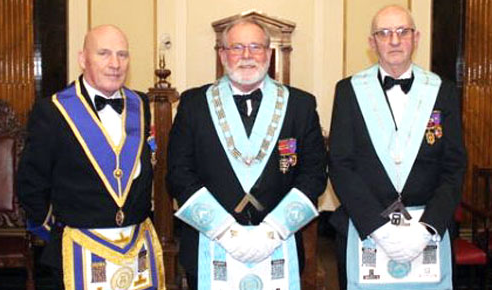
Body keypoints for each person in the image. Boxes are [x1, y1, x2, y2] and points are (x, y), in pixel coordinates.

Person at [166, 19, 327, 290]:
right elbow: (179, 174)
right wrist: (225, 231)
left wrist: (272, 231)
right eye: (237, 47)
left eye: (255, 47)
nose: (247, 55)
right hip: (211, 243)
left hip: (279, 243)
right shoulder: (193, 104)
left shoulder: (300, 104)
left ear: (269, 52)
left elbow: (313, 175)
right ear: (222, 54)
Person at [17, 25, 165, 290]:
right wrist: (59, 233)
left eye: (123, 55)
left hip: (135, 248)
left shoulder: (140, 105)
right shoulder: (52, 111)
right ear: (83, 59)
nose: (115, 64)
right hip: (78, 249)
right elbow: (31, 183)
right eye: (104, 54)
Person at [328, 5, 466, 290]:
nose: (394, 40)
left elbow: (454, 167)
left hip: (427, 232)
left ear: (416, 38)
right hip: (367, 228)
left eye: (402, 32)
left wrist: (427, 227)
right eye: (384, 33)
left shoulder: (443, 90)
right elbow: (341, 165)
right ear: (372, 42)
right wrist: (378, 228)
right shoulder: (348, 90)